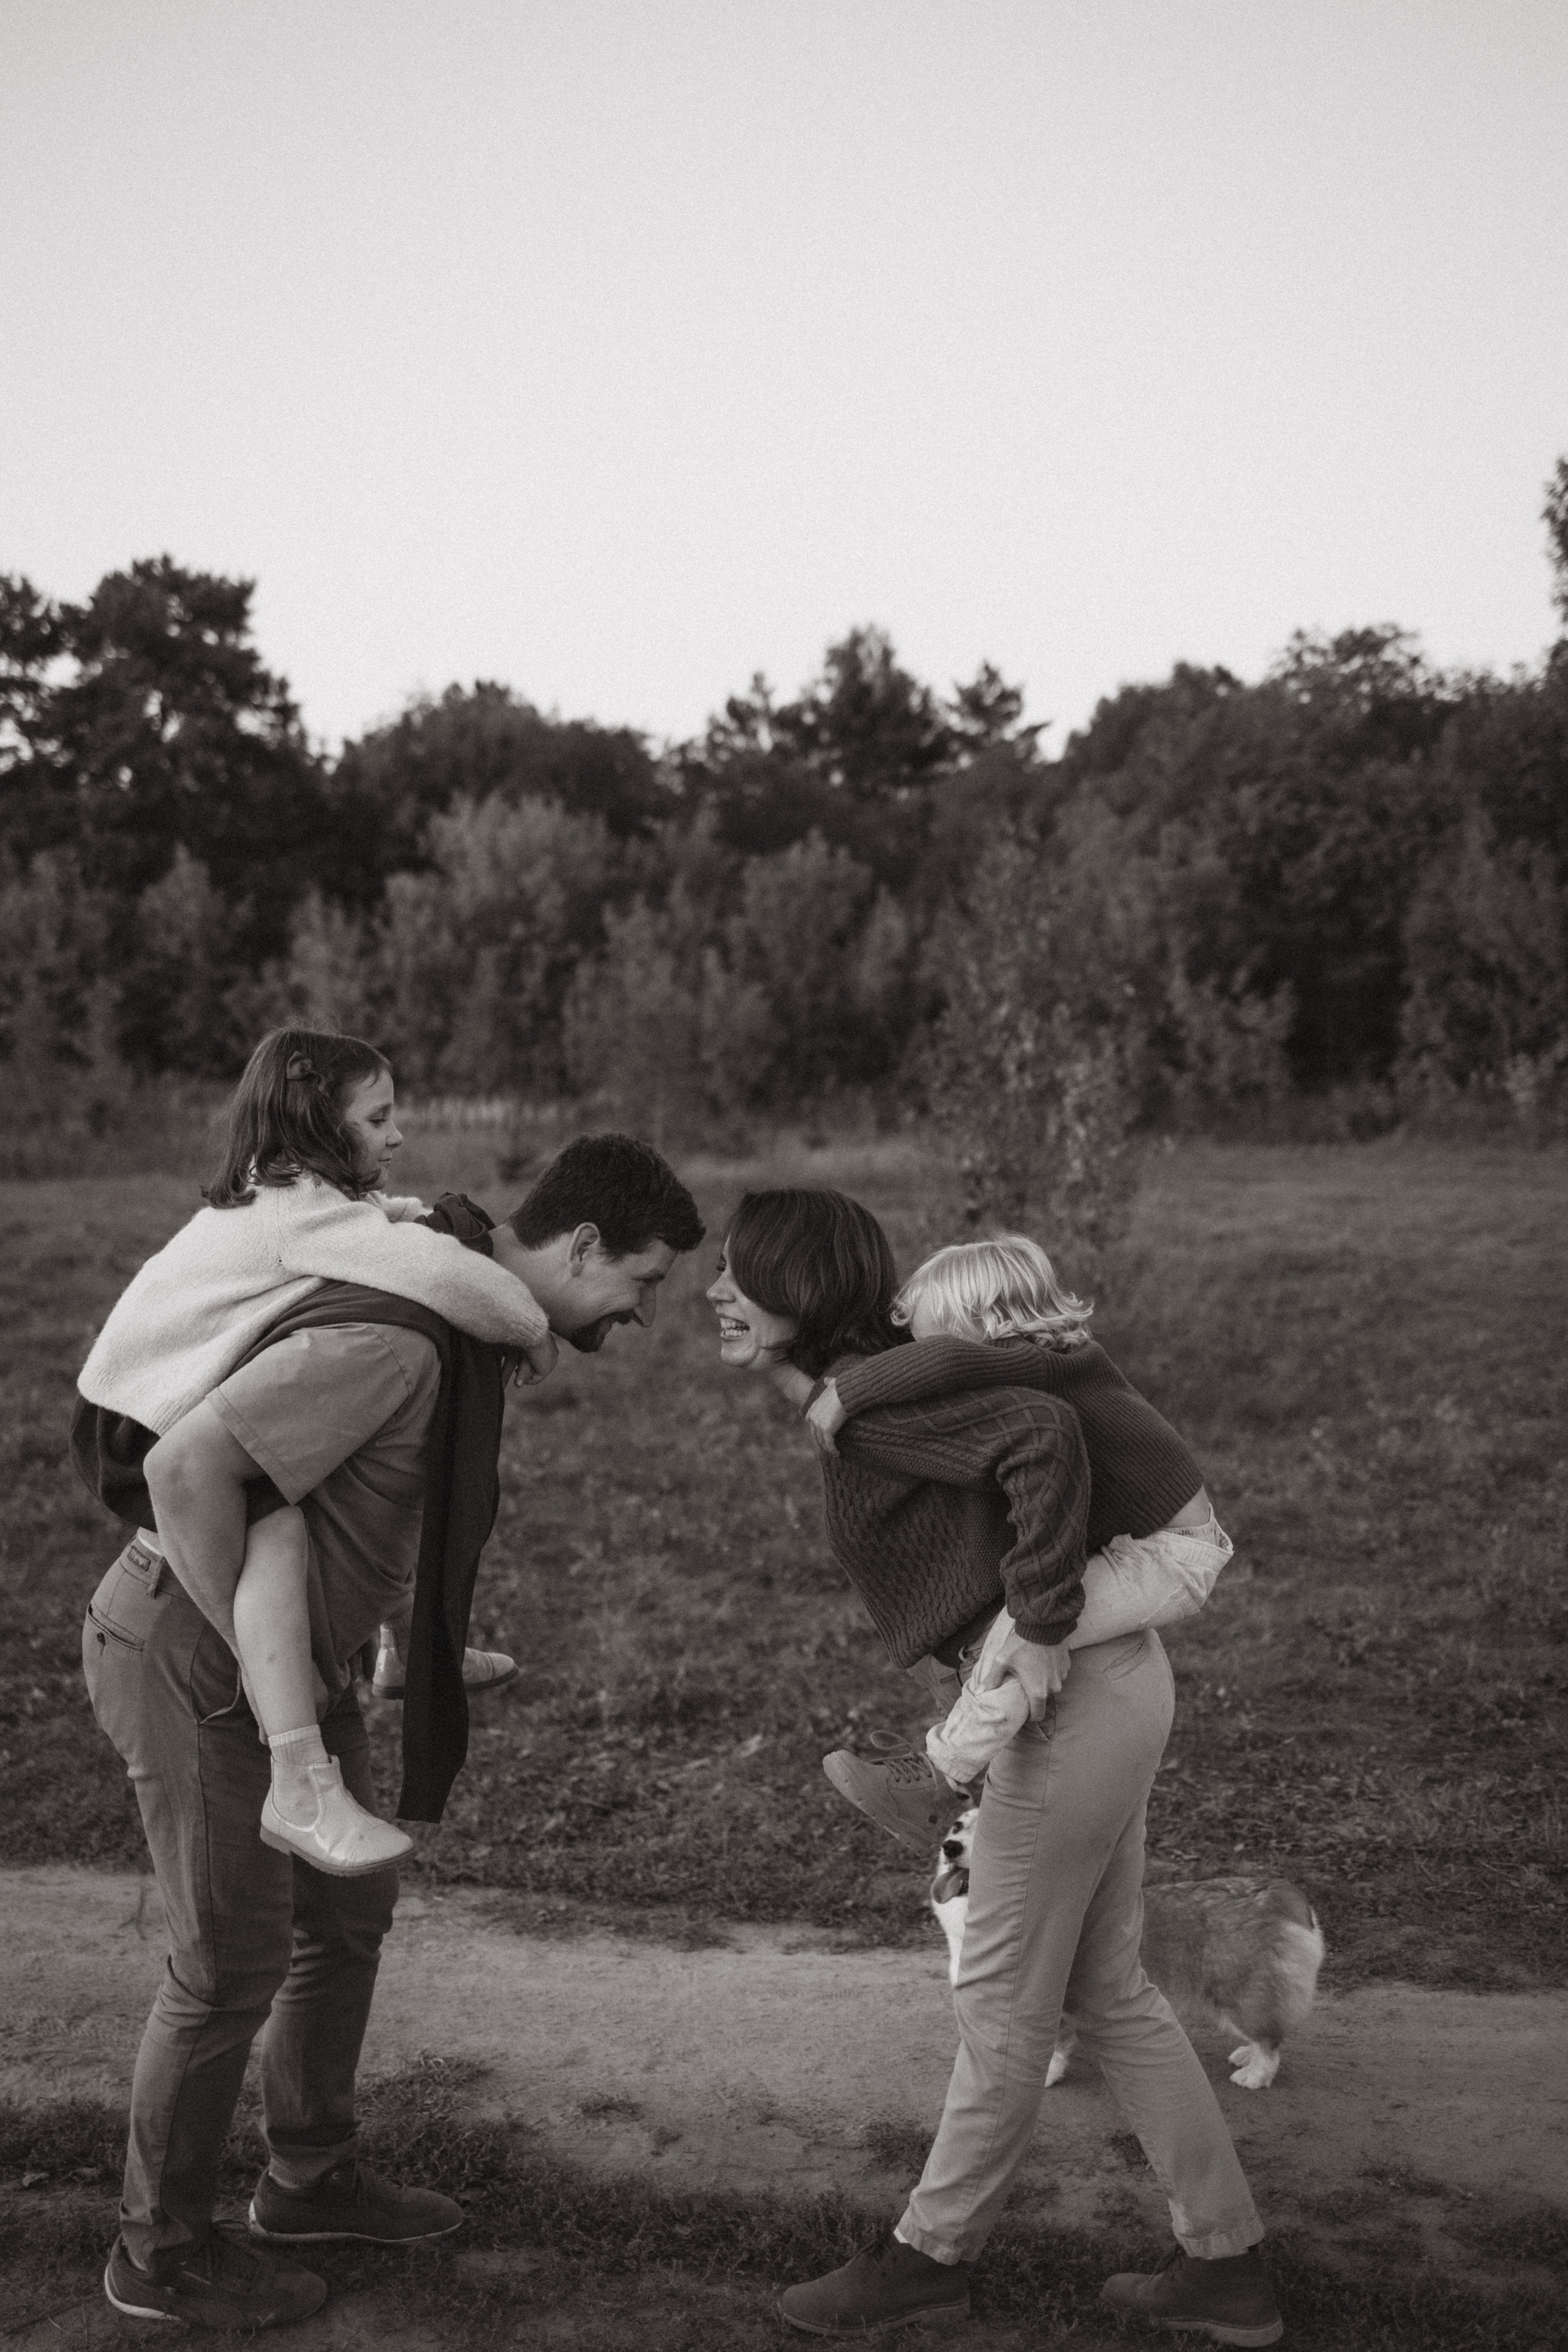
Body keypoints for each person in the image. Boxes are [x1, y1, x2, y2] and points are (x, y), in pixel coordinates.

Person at [82, 1126, 705, 2332]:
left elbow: (323, 1499)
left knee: (345, 1914)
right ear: (581, 1245)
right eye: (640, 1284)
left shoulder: (453, 1328)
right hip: (192, 1647)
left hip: (280, 1659)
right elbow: (189, 1470)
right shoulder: (397, 1343)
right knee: (228, 1965)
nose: (638, 1319)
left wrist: (364, 1647)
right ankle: (155, 2253)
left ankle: (307, 2182)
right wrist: (266, 1675)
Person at [706, 1189, 1282, 2348]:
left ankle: (927, 2258)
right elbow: (964, 1415)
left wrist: (1040, 1611)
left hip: (1067, 1705)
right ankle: (1227, 2266)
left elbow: (1040, 1436)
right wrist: (804, 1387)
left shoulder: (883, 1407)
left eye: (733, 1275)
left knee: (1004, 2007)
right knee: (1108, 1993)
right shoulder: (884, 1389)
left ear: (795, 1294)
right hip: (1113, 1683)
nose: (714, 1292)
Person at [78, 1027, 559, 1877]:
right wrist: (531, 1328)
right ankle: (299, 1774)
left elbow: (382, 1228)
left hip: (143, 1398)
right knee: (281, 1531)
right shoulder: (297, 1216)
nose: (398, 1137)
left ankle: (400, 1649)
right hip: (137, 1421)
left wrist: (407, 1218)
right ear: (319, 1128)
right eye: (378, 1120)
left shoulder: (297, 1204)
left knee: (338, 1458)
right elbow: (446, 1278)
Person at [807, 1232, 1232, 1846]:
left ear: (986, 1325)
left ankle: (940, 1778)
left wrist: (848, 1392)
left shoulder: (1048, 1361)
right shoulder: (1056, 1360)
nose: (920, 1355)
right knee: (1024, 1614)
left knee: (1025, 1629)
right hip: (1146, 1544)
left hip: (1175, 1557)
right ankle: (961, 1738)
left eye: (929, 1337)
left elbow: (947, 1365)